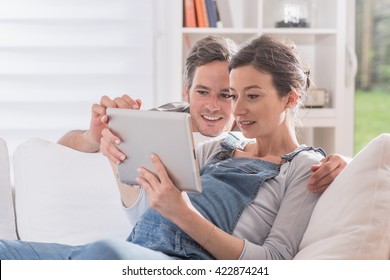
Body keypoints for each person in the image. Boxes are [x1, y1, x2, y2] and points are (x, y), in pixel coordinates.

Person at [1, 34, 329, 260]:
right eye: (235, 94)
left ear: (290, 98)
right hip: (142, 250)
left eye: (250, 96)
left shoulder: (305, 166)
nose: (236, 109)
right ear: (187, 92)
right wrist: (119, 159)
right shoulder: (218, 147)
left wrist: (183, 213)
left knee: (106, 253)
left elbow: (275, 261)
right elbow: (150, 220)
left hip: (179, 263)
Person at [57, 35, 346, 196]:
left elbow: (296, 156)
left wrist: (343, 163)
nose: (213, 106)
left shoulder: (250, 133)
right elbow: (58, 147)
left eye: (226, 94)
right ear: (187, 91)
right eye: (202, 92)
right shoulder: (164, 121)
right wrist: (92, 137)